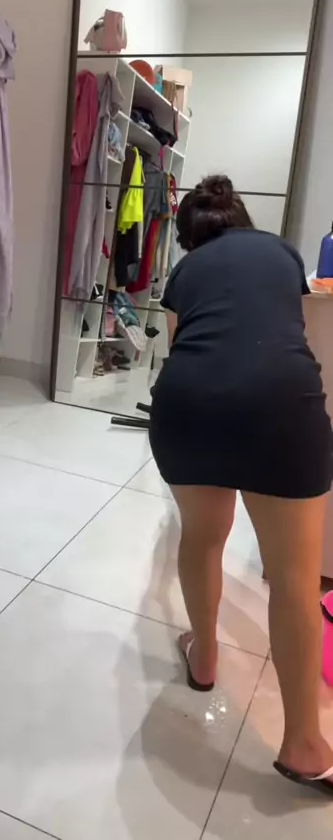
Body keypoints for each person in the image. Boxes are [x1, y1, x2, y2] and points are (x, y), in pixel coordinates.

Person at [149, 174, 333, 797]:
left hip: (188, 405)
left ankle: (203, 656)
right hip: (282, 407)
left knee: (203, 538)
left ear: (189, 239)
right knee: (295, 579)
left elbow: (182, 347)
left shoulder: (185, 273)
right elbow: (293, 332)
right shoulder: (282, 254)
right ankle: (304, 744)